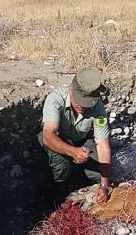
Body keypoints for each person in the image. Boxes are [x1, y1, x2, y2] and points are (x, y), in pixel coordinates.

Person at [38, 67, 113, 206]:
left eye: (86, 104)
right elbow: (48, 136)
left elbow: (102, 145)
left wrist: (104, 185)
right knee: (62, 164)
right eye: (79, 102)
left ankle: (90, 191)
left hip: (83, 140)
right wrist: (73, 152)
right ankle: (59, 194)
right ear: (71, 90)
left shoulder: (98, 107)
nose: (82, 107)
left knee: (99, 171)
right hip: (58, 139)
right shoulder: (56, 99)